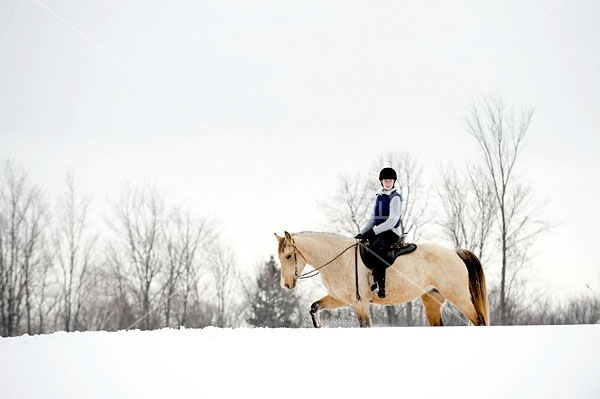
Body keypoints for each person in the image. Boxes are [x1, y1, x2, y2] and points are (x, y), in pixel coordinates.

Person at [355, 167, 403, 298]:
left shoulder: (395, 198)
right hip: (379, 232)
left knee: (376, 248)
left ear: (394, 182)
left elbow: (392, 221)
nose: (388, 183)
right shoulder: (379, 197)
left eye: (390, 180)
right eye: (385, 180)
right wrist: (362, 233)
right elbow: (373, 219)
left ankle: (379, 285)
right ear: (381, 182)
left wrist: (373, 232)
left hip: (391, 232)